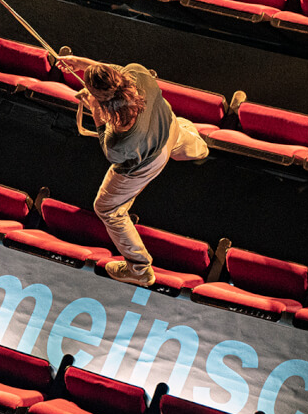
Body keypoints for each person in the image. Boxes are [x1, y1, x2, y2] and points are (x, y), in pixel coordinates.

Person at [59, 54, 210, 287]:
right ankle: (201, 150)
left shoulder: (120, 141)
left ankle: (139, 269)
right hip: (168, 125)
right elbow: (115, 73)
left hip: (149, 159)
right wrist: (82, 63)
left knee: (107, 209)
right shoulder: (137, 72)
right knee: (183, 135)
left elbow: (110, 150)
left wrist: (95, 110)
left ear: (104, 103)